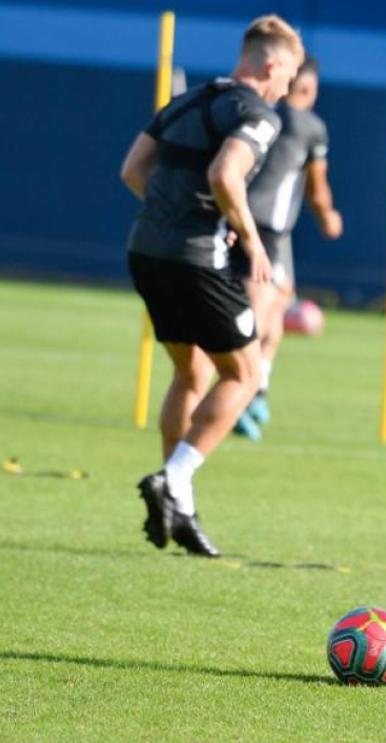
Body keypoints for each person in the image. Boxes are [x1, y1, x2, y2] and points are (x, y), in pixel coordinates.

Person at [119, 15, 304, 556]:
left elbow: (133, 170)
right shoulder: (257, 112)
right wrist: (245, 239)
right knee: (245, 374)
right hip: (198, 257)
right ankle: (174, 479)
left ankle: (181, 503)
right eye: (287, 79)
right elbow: (226, 174)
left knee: (191, 371)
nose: (285, 90)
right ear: (270, 65)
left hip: (146, 250)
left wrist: (171, 217)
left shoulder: (185, 100)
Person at [233, 56, 343, 441]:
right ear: (309, 89)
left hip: (258, 226)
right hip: (266, 229)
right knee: (261, 314)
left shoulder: (257, 113)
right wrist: (329, 217)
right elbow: (317, 188)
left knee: (278, 308)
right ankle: (238, 391)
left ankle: (256, 389)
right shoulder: (308, 125)